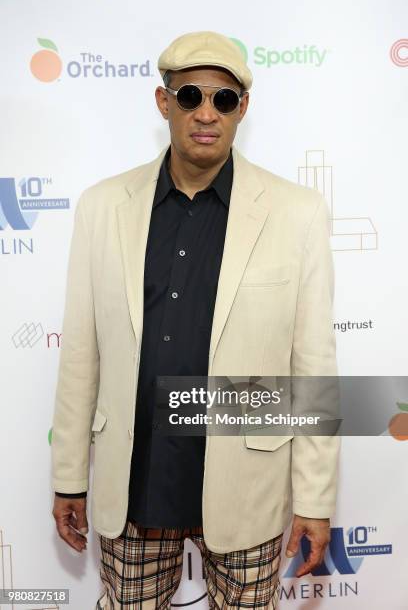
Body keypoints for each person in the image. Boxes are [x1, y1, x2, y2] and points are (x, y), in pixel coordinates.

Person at [51, 30, 341, 609]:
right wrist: (68, 477)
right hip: (133, 484)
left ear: (242, 110)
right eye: (189, 96)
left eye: (223, 100)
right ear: (164, 103)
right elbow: (81, 352)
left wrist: (315, 498)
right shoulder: (102, 207)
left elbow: (311, 365)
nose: (206, 113)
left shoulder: (297, 214)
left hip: (247, 489)